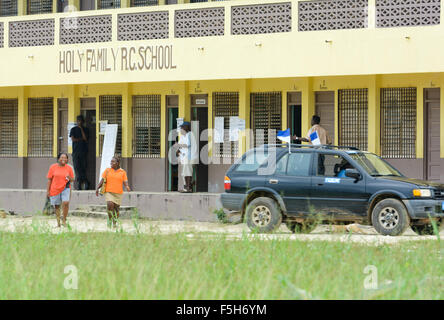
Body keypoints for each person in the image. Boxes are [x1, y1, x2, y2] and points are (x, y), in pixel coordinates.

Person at [95, 156, 131, 228]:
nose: (111, 163)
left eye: (113, 162)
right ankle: (109, 220)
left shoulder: (122, 172)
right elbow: (102, 180)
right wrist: (97, 188)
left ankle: (114, 223)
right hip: (109, 192)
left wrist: (127, 186)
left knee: (116, 209)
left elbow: (125, 181)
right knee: (110, 204)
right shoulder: (107, 170)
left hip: (118, 193)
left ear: (117, 163)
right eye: (111, 161)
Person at [46, 153, 74, 227]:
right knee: (57, 206)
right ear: (58, 159)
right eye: (62, 157)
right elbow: (49, 180)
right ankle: (58, 223)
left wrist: (69, 177)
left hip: (66, 187)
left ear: (67, 159)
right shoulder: (53, 167)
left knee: (66, 203)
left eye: (65, 158)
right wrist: (48, 191)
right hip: (55, 189)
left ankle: (64, 220)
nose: (63, 159)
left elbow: (72, 180)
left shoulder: (69, 168)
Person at [69, 115, 89, 190]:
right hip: (75, 152)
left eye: (80, 121)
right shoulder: (73, 129)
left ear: (83, 122)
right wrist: (81, 139)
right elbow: (73, 139)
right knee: (77, 168)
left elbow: (85, 138)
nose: (79, 122)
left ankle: (86, 182)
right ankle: (79, 183)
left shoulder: (86, 129)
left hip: (83, 152)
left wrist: (81, 129)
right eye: (78, 121)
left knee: (83, 168)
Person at [175, 122, 195, 193]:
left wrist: (178, 145)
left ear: (186, 127)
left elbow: (187, 145)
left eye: (182, 127)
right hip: (183, 156)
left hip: (189, 157)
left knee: (188, 172)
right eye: (181, 128)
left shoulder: (190, 134)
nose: (181, 129)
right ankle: (185, 187)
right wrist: (178, 151)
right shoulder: (183, 136)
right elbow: (180, 146)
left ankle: (188, 188)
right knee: (184, 173)